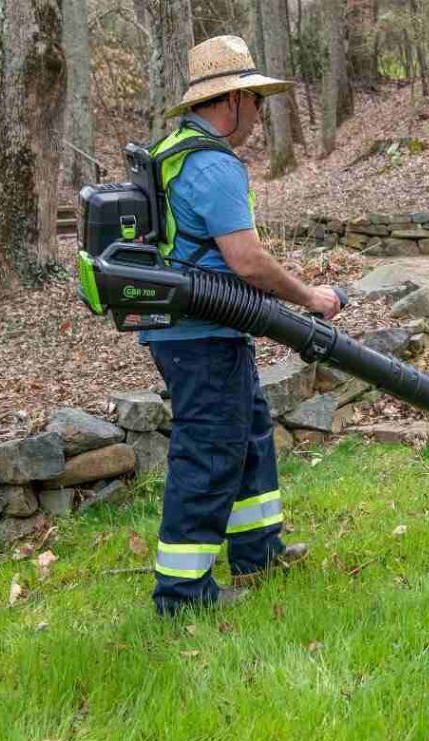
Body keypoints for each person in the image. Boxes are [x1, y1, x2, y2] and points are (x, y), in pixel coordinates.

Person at [140, 35, 340, 615]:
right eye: (253, 101)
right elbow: (247, 260)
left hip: (203, 327)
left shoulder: (174, 150)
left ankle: (257, 552)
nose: (257, 112)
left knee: (249, 434)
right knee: (209, 452)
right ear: (229, 102)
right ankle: (182, 593)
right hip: (200, 332)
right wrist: (311, 298)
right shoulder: (213, 165)